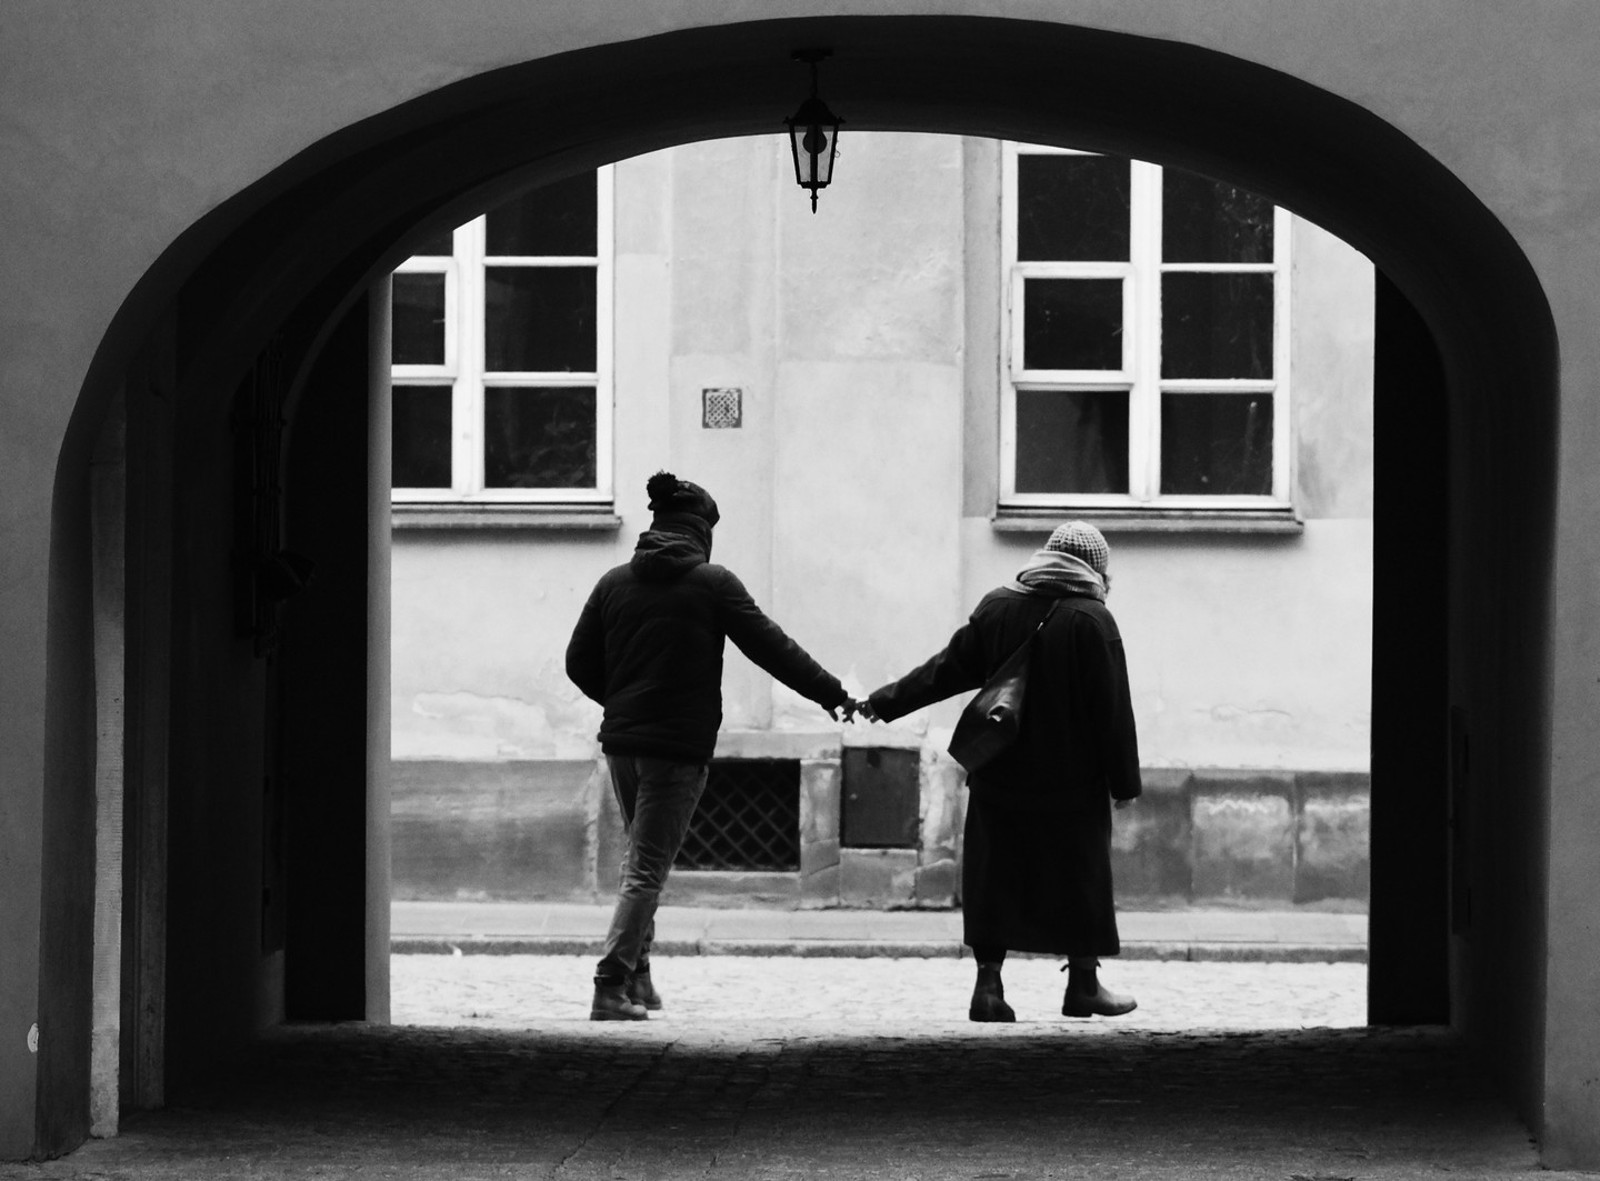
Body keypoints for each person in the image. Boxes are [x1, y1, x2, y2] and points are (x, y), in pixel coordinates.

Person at [566, 470, 858, 1020]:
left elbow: (577, 663)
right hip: (676, 750)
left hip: (623, 745)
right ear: (701, 531)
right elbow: (774, 649)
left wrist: (624, 702)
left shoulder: (613, 583)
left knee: (640, 861)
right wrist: (833, 695)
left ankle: (638, 978)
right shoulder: (712, 583)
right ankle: (609, 983)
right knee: (647, 869)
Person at [862, 521, 1142, 1022]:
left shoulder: (998, 606)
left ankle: (988, 989)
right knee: (1082, 876)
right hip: (1071, 782)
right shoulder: (1093, 619)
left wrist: (884, 703)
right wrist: (1123, 782)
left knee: (995, 876)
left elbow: (946, 670)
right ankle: (1083, 985)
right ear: (1095, 569)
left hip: (999, 774)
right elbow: (1112, 709)